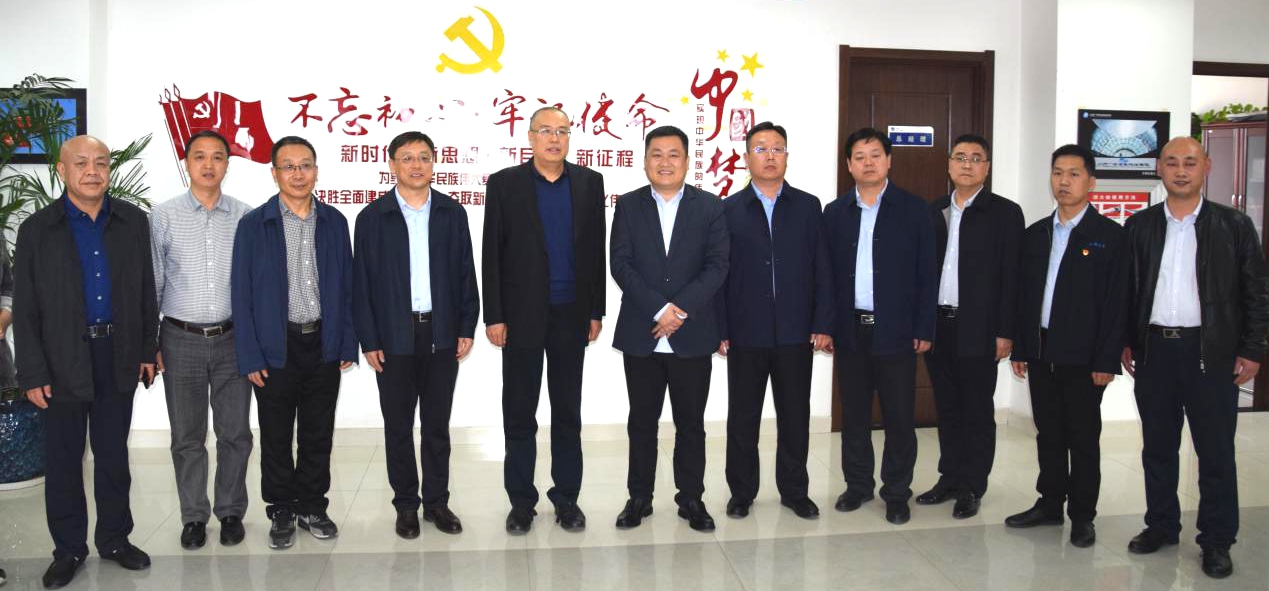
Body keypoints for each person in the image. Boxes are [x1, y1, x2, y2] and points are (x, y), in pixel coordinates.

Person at [14, 135, 158, 588]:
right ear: (62, 170)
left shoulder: (132, 221)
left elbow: (146, 291)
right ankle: (69, 549)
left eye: (100, 163)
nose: (92, 171)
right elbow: (25, 307)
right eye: (81, 163)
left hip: (117, 353)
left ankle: (114, 539)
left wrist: (147, 350)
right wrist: (32, 371)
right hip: (61, 358)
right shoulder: (38, 229)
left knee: (113, 455)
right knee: (63, 459)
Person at [1121, 136, 1268, 579]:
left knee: (1215, 452)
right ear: (1159, 169)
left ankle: (1217, 540)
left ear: (1206, 166)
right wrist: (1126, 339)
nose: (1180, 171)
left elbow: (1256, 292)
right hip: (1154, 351)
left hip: (1212, 353)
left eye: (1189, 162)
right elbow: (1126, 291)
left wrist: (1252, 348)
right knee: (1157, 447)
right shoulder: (1140, 225)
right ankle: (1161, 525)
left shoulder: (1234, 225)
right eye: (1171, 163)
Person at [482, 107, 607, 534]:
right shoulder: (505, 184)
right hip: (521, 317)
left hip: (572, 314)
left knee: (567, 412)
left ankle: (567, 499)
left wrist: (595, 310)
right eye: (546, 131)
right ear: (530, 137)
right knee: (519, 413)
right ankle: (521, 503)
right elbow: (492, 253)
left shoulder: (589, 182)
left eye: (562, 131)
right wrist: (495, 315)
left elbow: (596, 249)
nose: (555, 139)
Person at [231, 136, 357, 550]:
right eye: (288, 166)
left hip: (322, 341)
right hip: (275, 345)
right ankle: (282, 509)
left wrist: (345, 342)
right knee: (276, 434)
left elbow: (347, 285)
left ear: (316, 171)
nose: (298, 174)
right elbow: (241, 294)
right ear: (274, 173)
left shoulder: (334, 221)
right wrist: (249, 354)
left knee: (318, 432)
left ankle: (313, 505)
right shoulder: (255, 225)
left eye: (305, 165)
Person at [353, 131, 479, 538]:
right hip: (393, 337)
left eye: (424, 157)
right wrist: (369, 339)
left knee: (437, 425)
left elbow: (466, 273)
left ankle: (437, 502)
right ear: (392, 164)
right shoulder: (373, 217)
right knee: (398, 426)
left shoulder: (451, 212)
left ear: (433, 162)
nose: (416, 165)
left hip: (441, 333)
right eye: (407, 158)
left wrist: (466, 325)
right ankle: (406, 504)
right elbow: (361, 285)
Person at [1006, 144, 1127, 549]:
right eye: (1058, 172)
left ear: (1091, 182)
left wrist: (1106, 359)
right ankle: (1049, 504)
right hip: (1041, 352)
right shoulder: (1036, 233)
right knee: (1049, 434)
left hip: (1084, 358)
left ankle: (1082, 515)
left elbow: (1116, 305)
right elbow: (1024, 296)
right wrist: (1022, 348)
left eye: (1074, 174)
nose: (1064, 181)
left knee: (1083, 438)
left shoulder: (1110, 236)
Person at [610, 125, 729, 532]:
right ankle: (638, 498)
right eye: (656, 154)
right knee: (641, 422)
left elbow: (717, 265)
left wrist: (679, 311)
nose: (665, 162)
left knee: (691, 424)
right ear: (645, 162)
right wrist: (660, 310)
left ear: (687, 161)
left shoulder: (710, 206)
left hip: (691, 333)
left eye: (673, 154)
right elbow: (620, 263)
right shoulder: (628, 205)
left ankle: (691, 498)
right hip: (642, 333)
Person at [716, 121, 831, 520]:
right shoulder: (728, 209)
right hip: (745, 331)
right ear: (746, 158)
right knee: (743, 418)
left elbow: (822, 268)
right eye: (761, 149)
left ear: (787, 156)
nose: (769, 156)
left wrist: (822, 322)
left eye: (777, 148)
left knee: (795, 415)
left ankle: (795, 491)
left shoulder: (808, 206)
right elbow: (719, 274)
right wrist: (721, 329)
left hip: (796, 331)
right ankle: (741, 492)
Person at [824, 127, 936, 525]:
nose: (868, 163)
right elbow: (825, 276)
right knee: (854, 415)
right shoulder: (835, 212)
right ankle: (857, 486)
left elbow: (927, 274)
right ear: (849, 165)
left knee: (899, 416)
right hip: (850, 329)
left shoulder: (914, 210)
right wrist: (826, 325)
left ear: (889, 160)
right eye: (859, 156)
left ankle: (897, 492)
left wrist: (924, 327)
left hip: (897, 329)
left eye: (875, 155)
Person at [151, 130, 253, 549]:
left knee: (235, 433)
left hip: (233, 339)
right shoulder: (163, 216)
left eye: (217, 157)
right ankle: (193, 516)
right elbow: (153, 282)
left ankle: (230, 511)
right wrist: (151, 343)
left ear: (228, 164)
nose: (208, 165)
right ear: (187, 163)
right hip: (180, 338)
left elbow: (252, 284)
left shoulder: (245, 216)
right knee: (187, 436)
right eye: (199, 157)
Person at [918, 134, 1024, 519]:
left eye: (976, 158)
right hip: (939, 325)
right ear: (949, 165)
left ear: (987, 168)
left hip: (979, 328)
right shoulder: (934, 210)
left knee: (976, 409)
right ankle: (949, 478)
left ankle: (972, 485)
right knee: (946, 407)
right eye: (960, 157)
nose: (967, 164)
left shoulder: (1005, 213)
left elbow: (1013, 276)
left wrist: (1005, 331)